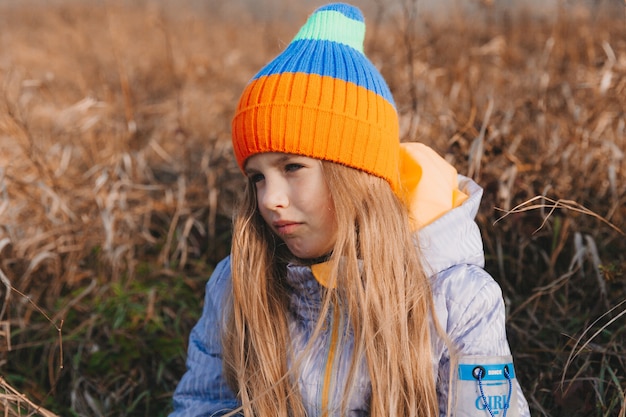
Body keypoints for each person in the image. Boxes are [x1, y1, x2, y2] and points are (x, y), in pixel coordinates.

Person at [170, 3, 531, 417]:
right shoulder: (236, 284)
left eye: (293, 167)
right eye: (257, 177)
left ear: (357, 176)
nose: (270, 199)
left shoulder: (457, 300)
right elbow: (204, 404)